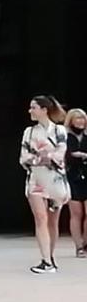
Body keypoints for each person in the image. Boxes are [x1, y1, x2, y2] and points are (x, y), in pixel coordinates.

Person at [21, 96, 70, 274]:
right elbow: (23, 158)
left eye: (33, 107)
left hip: (55, 181)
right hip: (35, 180)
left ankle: (50, 256)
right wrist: (43, 157)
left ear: (44, 110)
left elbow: (60, 154)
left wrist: (42, 157)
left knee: (52, 222)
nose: (30, 111)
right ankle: (46, 260)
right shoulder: (29, 132)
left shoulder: (59, 130)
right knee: (40, 218)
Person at [67, 109, 87, 258]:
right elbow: (64, 154)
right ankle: (78, 246)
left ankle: (85, 243)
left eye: (82, 119)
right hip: (72, 176)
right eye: (77, 119)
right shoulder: (65, 136)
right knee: (76, 213)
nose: (80, 121)